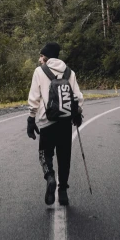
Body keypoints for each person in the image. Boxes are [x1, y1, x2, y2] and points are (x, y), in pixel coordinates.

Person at [27, 42, 84, 206]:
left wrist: (31, 119)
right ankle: (63, 191)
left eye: (41, 56)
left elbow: (34, 98)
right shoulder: (69, 72)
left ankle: (50, 177)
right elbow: (78, 96)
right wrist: (77, 114)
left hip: (47, 122)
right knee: (64, 157)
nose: (39, 59)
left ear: (46, 56)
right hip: (65, 122)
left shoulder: (39, 72)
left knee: (45, 154)